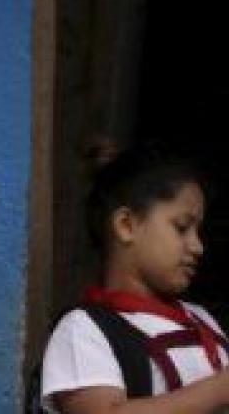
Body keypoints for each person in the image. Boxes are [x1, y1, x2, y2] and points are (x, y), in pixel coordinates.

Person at [41, 147, 229, 412]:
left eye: (198, 232)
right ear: (126, 226)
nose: (197, 246)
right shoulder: (83, 331)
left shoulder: (202, 321)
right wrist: (218, 391)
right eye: (182, 228)